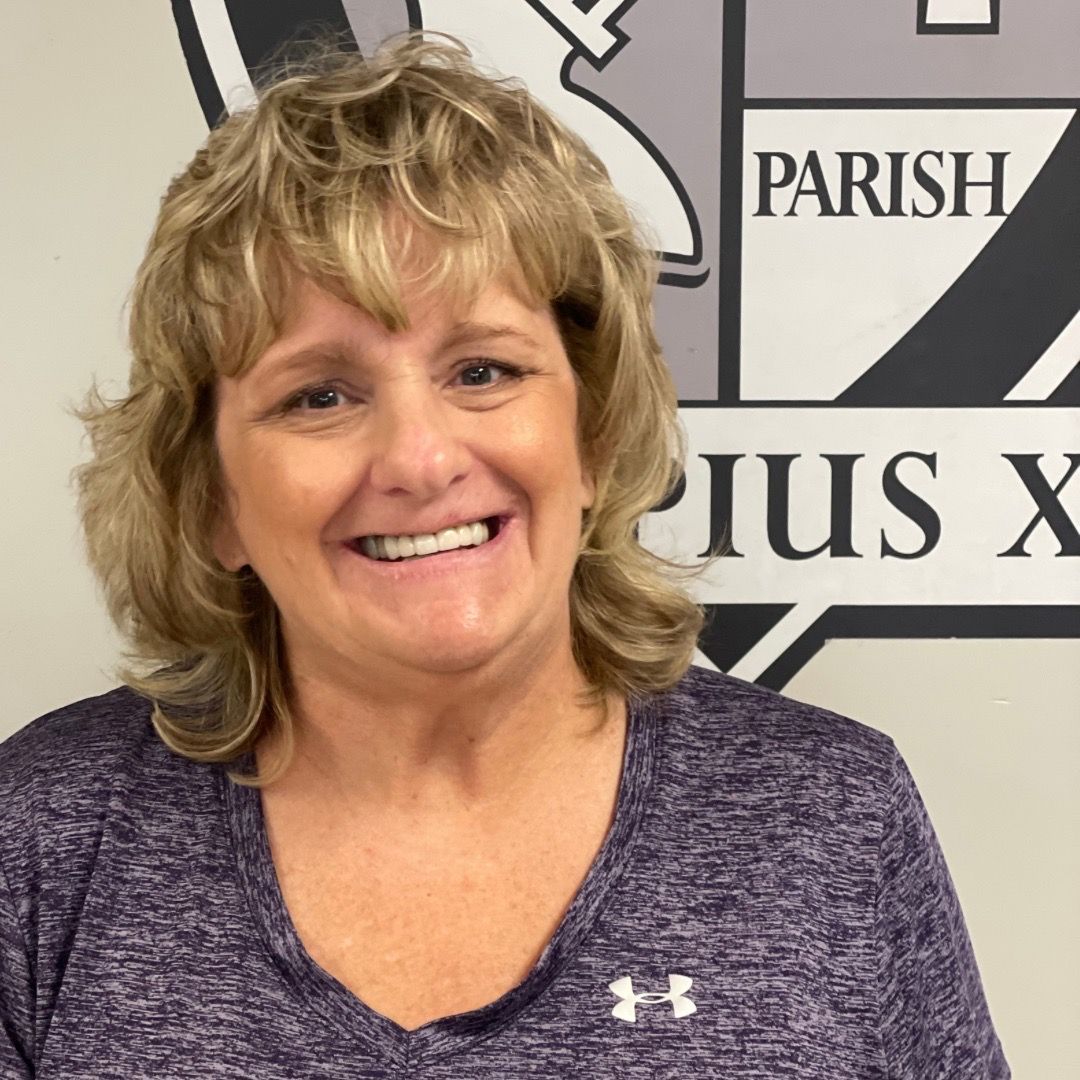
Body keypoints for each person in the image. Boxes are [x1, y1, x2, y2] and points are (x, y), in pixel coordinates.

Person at [0, 34, 1010, 1078]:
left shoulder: (832, 822)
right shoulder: (43, 840)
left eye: (483, 369)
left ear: (595, 434)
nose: (421, 458)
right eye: (321, 394)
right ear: (213, 498)